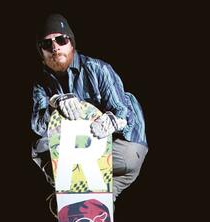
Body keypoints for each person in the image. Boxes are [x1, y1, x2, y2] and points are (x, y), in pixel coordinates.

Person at [30, 13, 148, 209]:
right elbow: (38, 127)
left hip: (121, 150)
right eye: (46, 44)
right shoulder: (40, 84)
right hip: (78, 155)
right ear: (41, 53)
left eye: (61, 40)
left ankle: (80, 188)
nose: (54, 47)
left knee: (125, 158)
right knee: (39, 148)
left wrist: (113, 120)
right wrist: (54, 103)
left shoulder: (97, 69)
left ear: (72, 44)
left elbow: (123, 110)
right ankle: (91, 201)